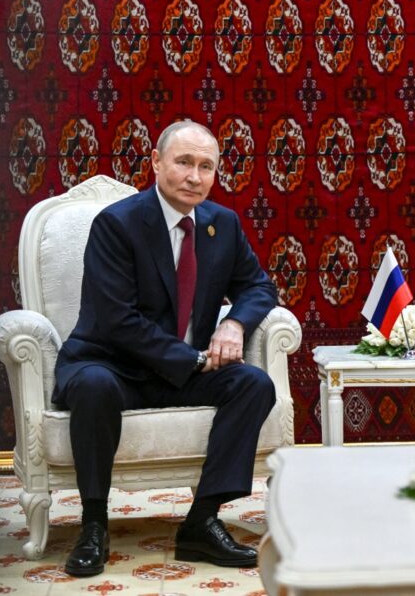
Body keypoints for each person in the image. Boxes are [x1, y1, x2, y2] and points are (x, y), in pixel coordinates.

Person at [52, 120, 278, 576]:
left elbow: (259, 287)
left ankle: (201, 521)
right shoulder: (117, 224)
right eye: (184, 162)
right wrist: (194, 359)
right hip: (112, 365)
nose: (195, 177)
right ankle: (93, 525)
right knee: (93, 386)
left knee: (253, 384)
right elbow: (118, 321)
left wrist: (234, 324)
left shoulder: (222, 225)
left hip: (183, 371)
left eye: (206, 166)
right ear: (156, 162)